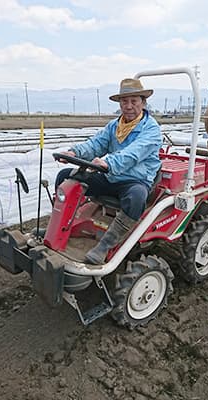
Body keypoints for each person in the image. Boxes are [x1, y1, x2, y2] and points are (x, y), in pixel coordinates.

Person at [55, 77, 162, 265]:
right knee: (66, 177)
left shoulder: (151, 129)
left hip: (134, 180)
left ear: (143, 103)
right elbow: (96, 144)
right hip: (111, 176)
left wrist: (109, 162)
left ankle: (105, 246)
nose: (128, 106)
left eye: (134, 101)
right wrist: (74, 152)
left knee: (137, 196)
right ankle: (60, 228)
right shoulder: (115, 125)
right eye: (124, 101)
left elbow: (134, 153)